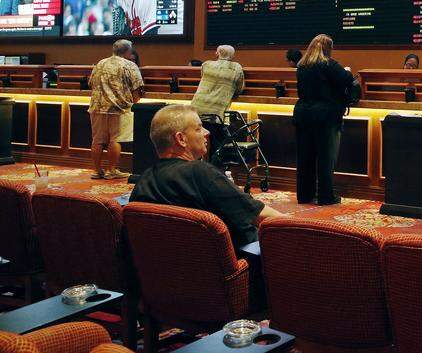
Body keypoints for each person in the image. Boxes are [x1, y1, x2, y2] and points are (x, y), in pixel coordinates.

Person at [130, 104, 283, 247]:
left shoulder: (143, 182)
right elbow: (260, 215)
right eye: (199, 128)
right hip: (236, 263)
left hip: (174, 267)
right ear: (180, 139)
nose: (207, 132)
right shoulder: (200, 173)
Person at [293, 34, 354, 205]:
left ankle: (304, 195)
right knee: (326, 157)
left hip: (303, 114)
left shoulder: (302, 66)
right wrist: (348, 71)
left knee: (305, 157)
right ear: (328, 49)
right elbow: (347, 79)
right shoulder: (329, 64)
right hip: (325, 115)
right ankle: (325, 196)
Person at [88, 39, 144, 180]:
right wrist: (134, 102)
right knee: (115, 139)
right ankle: (111, 170)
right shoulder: (130, 65)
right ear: (128, 51)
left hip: (97, 107)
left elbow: (90, 83)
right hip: (119, 108)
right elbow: (137, 88)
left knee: (97, 140)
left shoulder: (100, 63)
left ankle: (97, 171)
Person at [191, 45, 245, 118]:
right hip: (216, 113)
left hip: (196, 108)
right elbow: (239, 89)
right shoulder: (236, 67)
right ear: (232, 56)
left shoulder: (206, 64)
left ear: (217, 54)